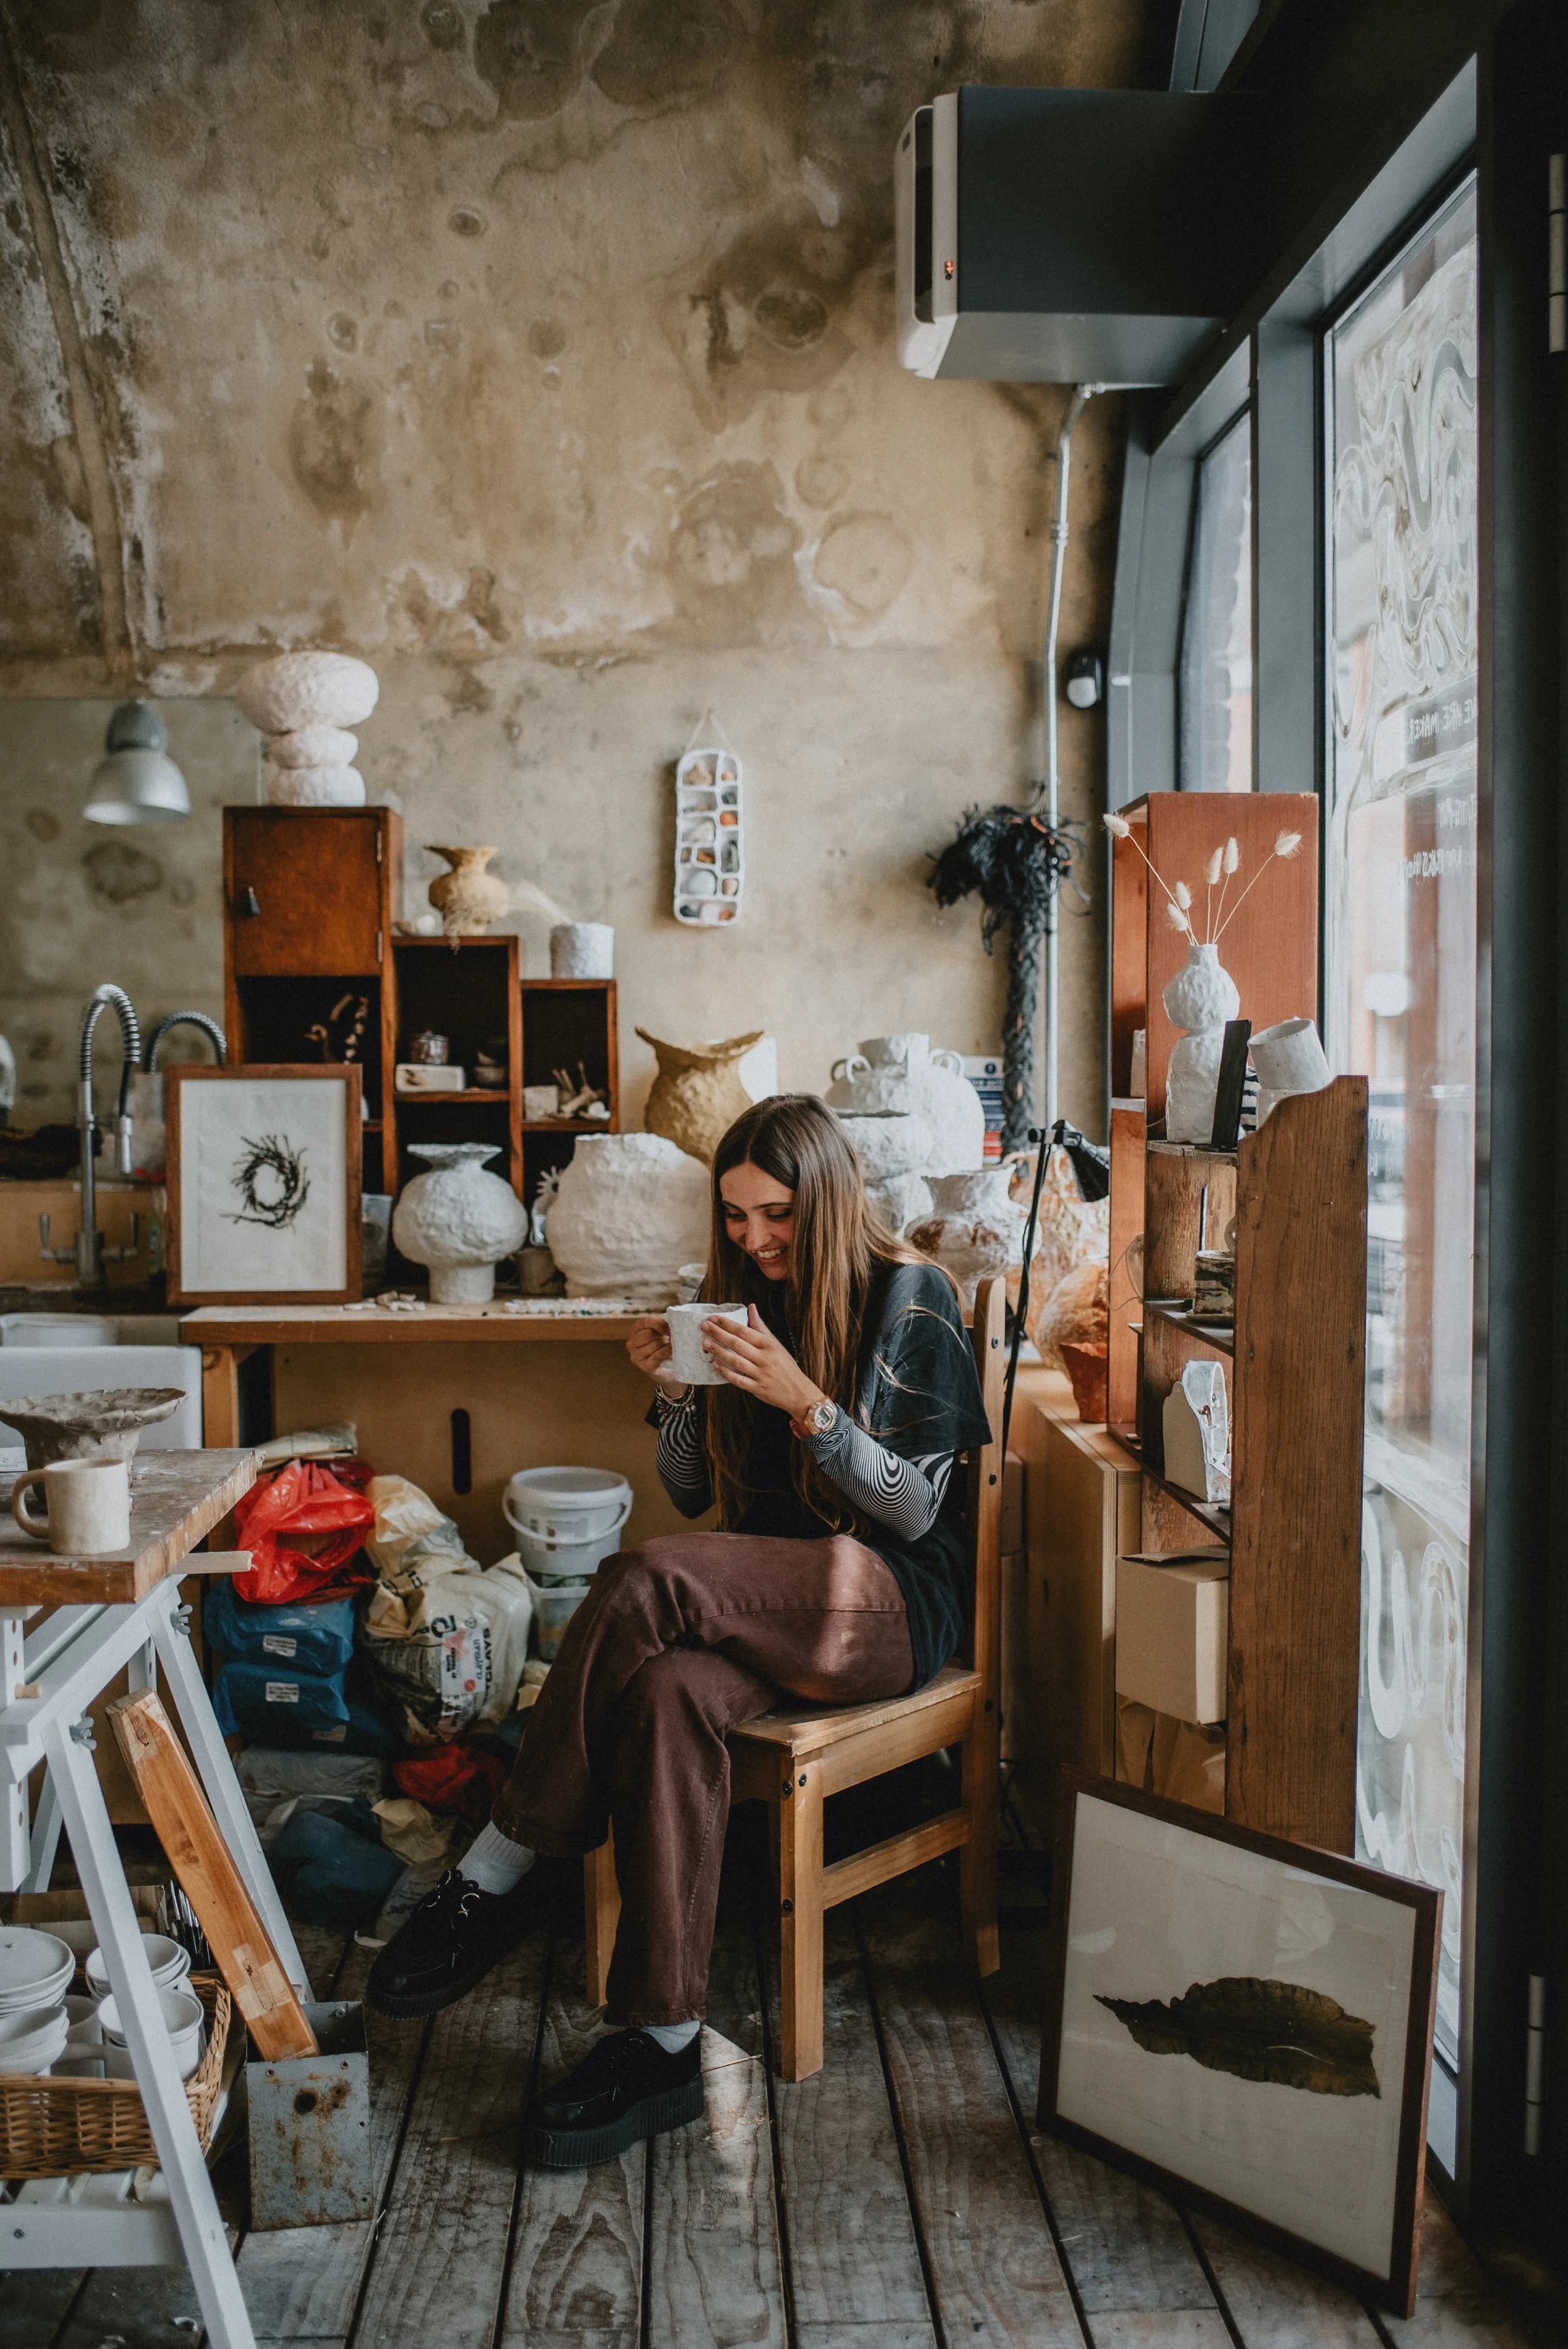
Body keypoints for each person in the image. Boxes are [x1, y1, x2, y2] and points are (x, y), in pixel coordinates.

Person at [368, 1095, 990, 2169]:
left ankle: (499, 1870)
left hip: (886, 1604)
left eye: (778, 1215)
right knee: (665, 1696)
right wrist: (673, 1396)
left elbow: (917, 1511)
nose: (754, 1239)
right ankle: (660, 2041)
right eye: (738, 1215)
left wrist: (810, 1406)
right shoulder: (739, 1302)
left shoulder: (912, 1295)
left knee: (646, 1574)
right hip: (767, 1602)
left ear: (830, 1203)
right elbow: (700, 1495)